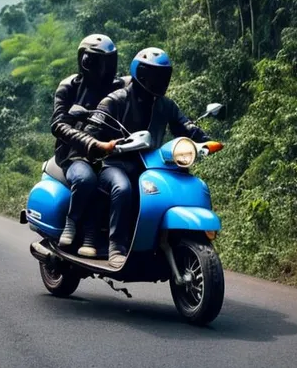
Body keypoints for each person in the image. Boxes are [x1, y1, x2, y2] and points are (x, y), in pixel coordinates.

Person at [83, 47, 210, 268]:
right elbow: (93, 127)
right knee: (122, 188)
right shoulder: (115, 99)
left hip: (151, 165)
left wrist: (204, 138)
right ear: (139, 74)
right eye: (153, 75)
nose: (159, 81)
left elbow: (184, 125)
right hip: (115, 163)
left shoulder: (165, 104)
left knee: (170, 190)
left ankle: (163, 241)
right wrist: (104, 145)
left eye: (163, 76)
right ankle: (116, 247)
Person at [50, 34, 127, 257]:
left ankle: (117, 241)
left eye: (106, 62)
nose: (101, 69)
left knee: (122, 184)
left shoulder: (119, 86)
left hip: (112, 153)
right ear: (83, 60)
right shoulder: (68, 87)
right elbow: (58, 125)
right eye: (95, 61)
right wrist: (92, 144)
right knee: (86, 179)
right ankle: (73, 223)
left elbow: (139, 90)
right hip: (73, 154)